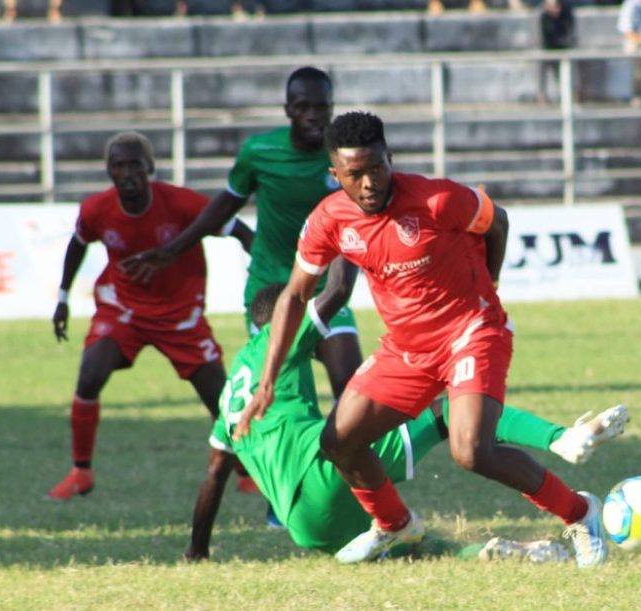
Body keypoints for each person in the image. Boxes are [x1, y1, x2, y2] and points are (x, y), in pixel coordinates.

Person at [235, 111, 610, 568]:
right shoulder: (328, 220)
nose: (370, 182)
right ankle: (394, 524)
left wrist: (486, 287)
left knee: (471, 451)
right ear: (335, 175)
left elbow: (499, 222)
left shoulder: (437, 199)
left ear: (390, 158)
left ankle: (579, 513)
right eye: (356, 174)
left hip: (471, 332)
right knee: (337, 442)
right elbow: (295, 294)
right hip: (406, 348)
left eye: (377, 168)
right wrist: (268, 381)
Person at [185, 259, 629, 561]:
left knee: (409, 543)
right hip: (322, 474)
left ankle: (491, 553)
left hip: (304, 528)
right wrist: (346, 226)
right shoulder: (275, 342)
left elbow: (213, 476)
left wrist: (197, 552)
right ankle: (560, 438)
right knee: (446, 414)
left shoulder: (230, 394)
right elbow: (336, 290)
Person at [122, 66, 363, 404]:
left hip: (325, 291)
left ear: (331, 107)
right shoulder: (260, 152)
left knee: (351, 387)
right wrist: (173, 250)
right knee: (281, 396)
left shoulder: (346, 157)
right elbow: (224, 206)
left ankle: (345, 456)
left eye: (321, 107)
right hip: (269, 291)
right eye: (303, 106)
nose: (312, 115)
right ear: (288, 110)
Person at [47, 131, 255, 501]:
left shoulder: (180, 203)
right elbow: (77, 244)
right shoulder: (97, 209)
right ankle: (81, 471)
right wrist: (62, 298)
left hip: (181, 317)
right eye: (118, 165)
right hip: (123, 310)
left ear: (150, 168)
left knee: (220, 400)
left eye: (134, 165)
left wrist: (269, 269)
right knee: (89, 374)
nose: (127, 173)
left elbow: (239, 230)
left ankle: (244, 472)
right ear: (109, 171)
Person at [537, 0, 576, 105]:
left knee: (566, 70)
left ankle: (569, 95)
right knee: (542, 67)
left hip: (563, 49)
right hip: (549, 49)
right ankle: (542, 95)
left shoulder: (567, 14)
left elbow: (570, 35)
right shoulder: (544, 17)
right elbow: (545, 38)